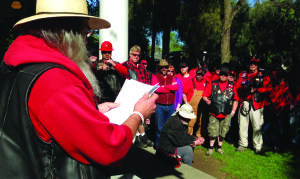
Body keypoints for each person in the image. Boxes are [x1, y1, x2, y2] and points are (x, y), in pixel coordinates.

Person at [0, 0, 158, 178]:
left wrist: (93, 109)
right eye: (85, 32)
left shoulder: (14, 64)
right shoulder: (56, 80)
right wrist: (138, 114)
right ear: (69, 33)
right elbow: (110, 148)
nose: (85, 39)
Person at [110, 45, 154, 147]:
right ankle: (137, 137)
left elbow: (147, 82)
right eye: (134, 55)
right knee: (134, 117)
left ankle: (143, 135)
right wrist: (114, 65)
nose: (136, 57)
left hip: (141, 96)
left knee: (141, 117)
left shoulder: (142, 68)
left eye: (138, 55)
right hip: (129, 96)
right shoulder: (125, 65)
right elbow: (122, 72)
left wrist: (149, 95)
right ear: (130, 54)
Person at [235, 58, 272, 154]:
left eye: (255, 64)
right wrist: (245, 88)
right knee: (242, 124)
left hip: (258, 103)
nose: (252, 65)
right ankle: (242, 144)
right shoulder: (243, 75)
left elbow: (269, 88)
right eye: (251, 63)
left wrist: (257, 89)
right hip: (245, 101)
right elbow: (237, 86)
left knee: (257, 126)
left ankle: (258, 146)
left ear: (257, 65)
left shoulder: (263, 76)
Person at [202, 66, 239, 156]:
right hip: (214, 112)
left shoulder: (232, 85)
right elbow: (204, 95)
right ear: (219, 74)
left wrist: (233, 111)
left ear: (228, 75)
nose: (223, 76)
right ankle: (211, 147)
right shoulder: (212, 83)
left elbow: (236, 100)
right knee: (212, 130)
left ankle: (219, 146)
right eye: (221, 74)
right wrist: (208, 101)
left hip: (226, 113)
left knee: (223, 131)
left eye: (225, 75)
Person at [152, 59, 179, 147]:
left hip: (171, 105)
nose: (164, 69)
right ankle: (158, 146)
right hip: (159, 105)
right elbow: (157, 89)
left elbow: (176, 87)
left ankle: (166, 146)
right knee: (159, 128)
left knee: (168, 128)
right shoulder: (155, 77)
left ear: (168, 68)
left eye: (165, 67)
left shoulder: (172, 77)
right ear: (159, 68)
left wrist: (165, 86)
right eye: (162, 67)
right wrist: (169, 88)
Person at [183, 68, 206, 137]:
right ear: (196, 74)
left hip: (202, 106)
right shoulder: (190, 82)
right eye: (198, 74)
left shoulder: (206, 83)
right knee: (190, 122)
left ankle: (200, 137)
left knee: (202, 123)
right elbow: (184, 93)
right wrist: (186, 102)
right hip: (191, 106)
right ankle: (188, 137)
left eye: (201, 75)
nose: (200, 76)